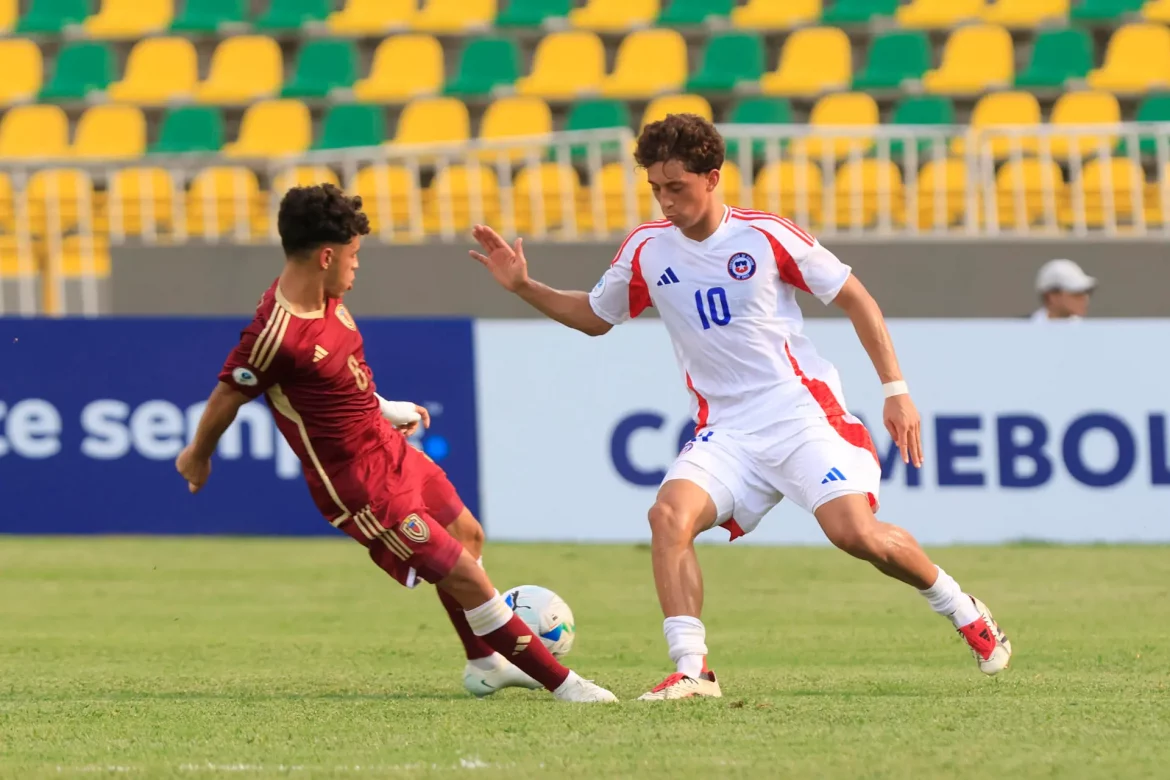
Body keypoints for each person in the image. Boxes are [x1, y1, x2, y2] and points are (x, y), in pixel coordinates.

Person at [469, 114, 1012, 701]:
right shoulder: (647, 249)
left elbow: (857, 299)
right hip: (726, 431)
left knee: (856, 534)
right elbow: (596, 318)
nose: (665, 201)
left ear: (713, 178)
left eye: (676, 186)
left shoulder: (767, 235)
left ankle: (963, 608)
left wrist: (896, 390)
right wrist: (525, 287)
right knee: (667, 518)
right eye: (655, 188)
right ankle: (693, 670)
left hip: (804, 418)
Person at [176, 184, 615, 704]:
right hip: (360, 486)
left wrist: (384, 407)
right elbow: (229, 393)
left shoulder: (328, 298)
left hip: (389, 448)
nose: (357, 266)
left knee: (468, 537)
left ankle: (484, 665)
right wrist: (197, 454)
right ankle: (566, 686)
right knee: (466, 577)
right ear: (326, 255)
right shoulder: (277, 333)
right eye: (354, 255)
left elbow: (337, 378)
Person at [1031, 259, 1095, 322]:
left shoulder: (1086, 330)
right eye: (1077, 293)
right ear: (1052, 297)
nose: (1085, 298)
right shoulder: (1024, 329)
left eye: (1087, 292)